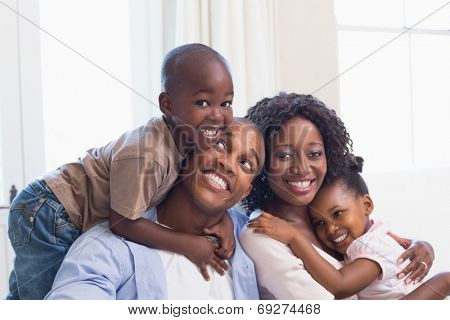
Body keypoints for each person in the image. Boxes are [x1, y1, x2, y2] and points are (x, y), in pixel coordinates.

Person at [7, 43, 236, 300]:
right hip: (49, 212)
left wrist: (223, 218)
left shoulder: (190, 139)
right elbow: (122, 223)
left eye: (226, 103)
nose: (218, 115)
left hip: (52, 211)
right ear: (168, 105)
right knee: (45, 299)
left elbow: (189, 192)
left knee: (20, 300)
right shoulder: (150, 154)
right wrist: (188, 244)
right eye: (203, 102)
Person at [239, 93, 435, 299]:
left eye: (314, 153)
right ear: (261, 161)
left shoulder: (325, 211)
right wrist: (442, 282)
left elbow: (380, 243)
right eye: (284, 155)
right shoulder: (261, 234)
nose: (302, 168)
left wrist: (419, 246)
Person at [45, 118, 265, 299]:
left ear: (246, 191)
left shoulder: (251, 240)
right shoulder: (106, 250)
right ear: (188, 151)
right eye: (220, 144)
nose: (227, 164)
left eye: (246, 164)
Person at [249, 156, 450, 299]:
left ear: (367, 206)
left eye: (337, 214)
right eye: (319, 223)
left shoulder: (372, 243)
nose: (331, 228)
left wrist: (294, 238)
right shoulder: (373, 232)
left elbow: (340, 285)